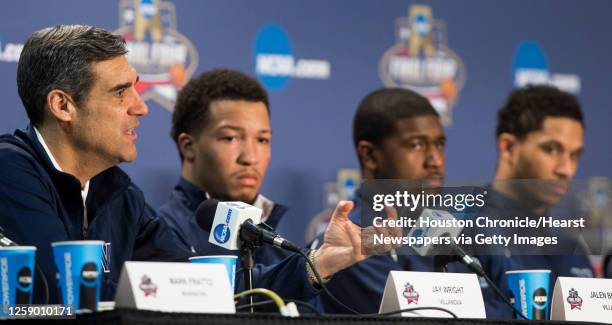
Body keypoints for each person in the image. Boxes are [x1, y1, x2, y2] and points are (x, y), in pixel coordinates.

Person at [0, 25, 398, 304]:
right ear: (62, 105)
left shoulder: (118, 193)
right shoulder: (10, 171)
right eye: (121, 92)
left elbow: (206, 290)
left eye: (136, 89)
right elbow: (64, 296)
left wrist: (315, 265)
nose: (141, 107)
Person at [312, 88, 455, 314]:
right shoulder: (350, 241)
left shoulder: (451, 232)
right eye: (416, 144)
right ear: (370, 156)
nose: (435, 161)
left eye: (439, 144)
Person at [475, 85, 593, 319]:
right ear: (508, 147)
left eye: (574, 155)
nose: (566, 169)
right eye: (551, 149)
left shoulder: (574, 250)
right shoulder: (457, 233)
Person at [158, 69, 288, 266]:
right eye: (230, 138)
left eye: (262, 139)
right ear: (188, 147)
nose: (250, 158)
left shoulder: (279, 248)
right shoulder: (160, 235)